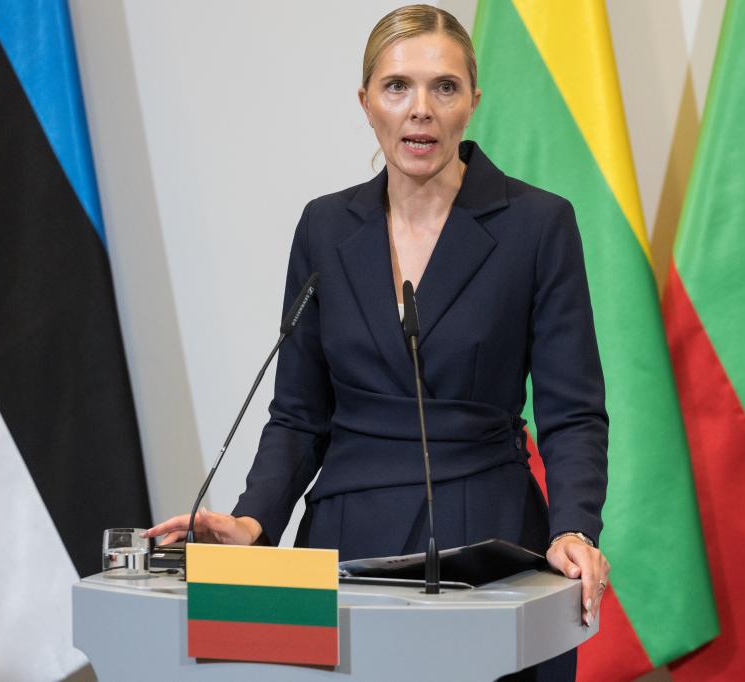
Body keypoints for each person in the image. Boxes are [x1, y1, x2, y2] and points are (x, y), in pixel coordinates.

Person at [145, 5, 610, 679]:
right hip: (342, 541)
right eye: (397, 87)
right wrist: (252, 523)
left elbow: (573, 414)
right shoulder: (324, 226)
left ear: (472, 103)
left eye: (444, 87)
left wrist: (574, 529)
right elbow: (298, 414)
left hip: (489, 541)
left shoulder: (537, 226)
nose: (420, 109)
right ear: (366, 103)